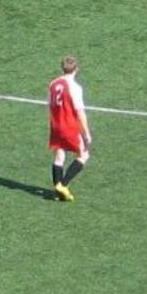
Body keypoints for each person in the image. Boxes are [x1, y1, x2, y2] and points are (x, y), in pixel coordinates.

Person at [47, 55, 91, 201]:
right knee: (84, 155)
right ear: (76, 69)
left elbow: (50, 104)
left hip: (56, 124)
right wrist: (86, 134)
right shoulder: (75, 88)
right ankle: (63, 185)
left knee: (59, 156)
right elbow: (80, 112)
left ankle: (57, 194)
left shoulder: (53, 84)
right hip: (69, 125)